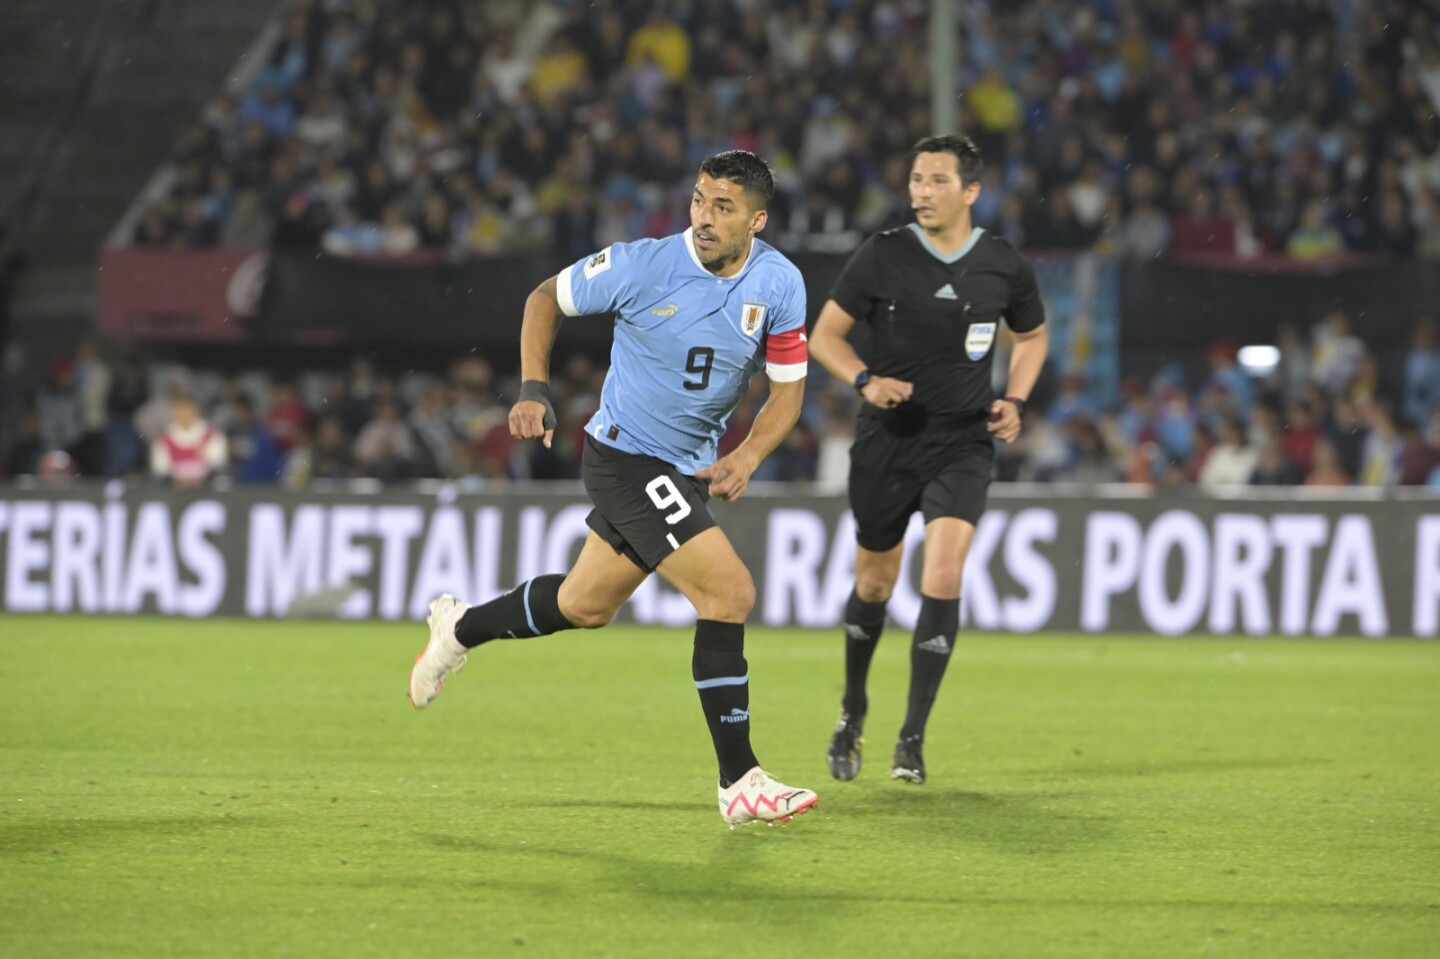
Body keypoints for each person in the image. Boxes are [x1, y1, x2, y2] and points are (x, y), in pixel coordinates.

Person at [408, 151, 818, 827]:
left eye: (723, 207)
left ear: (758, 219)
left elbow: (787, 393)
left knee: (584, 603)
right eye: (698, 201)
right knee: (729, 591)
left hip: (686, 469)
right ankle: (739, 779)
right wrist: (533, 389)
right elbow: (545, 297)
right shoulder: (643, 263)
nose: (705, 218)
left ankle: (459, 629)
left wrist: (747, 454)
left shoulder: (781, 283)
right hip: (624, 457)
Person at [808, 135, 1049, 785]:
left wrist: (1017, 397)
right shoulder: (883, 255)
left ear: (971, 191)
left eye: (937, 180)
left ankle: (911, 738)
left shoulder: (1001, 263)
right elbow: (823, 336)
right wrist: (865, 381)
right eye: (915, 178)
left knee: (943, 574)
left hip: (963, 442)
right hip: (888, 440)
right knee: (875, 585)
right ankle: (852, 709)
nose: (920, 191)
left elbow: (1031, 334)